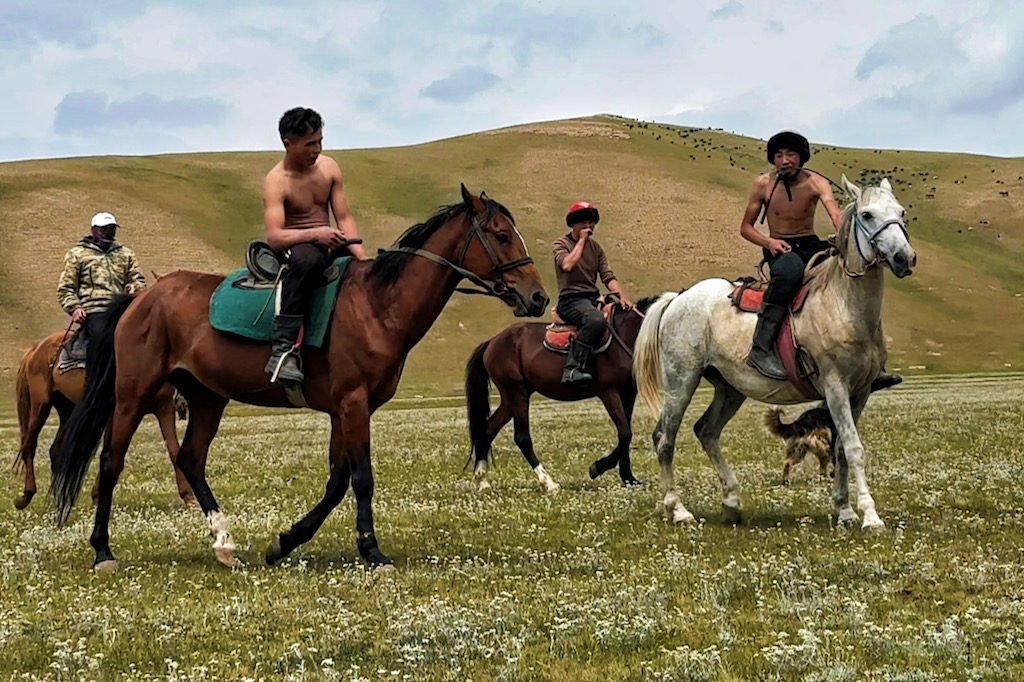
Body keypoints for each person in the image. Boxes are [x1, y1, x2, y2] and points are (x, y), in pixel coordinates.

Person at [740, 130, 901, 390]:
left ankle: (874, 364)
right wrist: (770, 243)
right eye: (778, 155)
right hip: (781, 248)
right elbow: (746, 228)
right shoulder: (762, 184)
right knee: (787, 276)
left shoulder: (816, 182)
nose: (784, 160)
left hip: (811, 244)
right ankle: (760, 349)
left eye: (790, 154)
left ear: (801, 157)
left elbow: (835, 212)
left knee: (852, 281)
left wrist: (843, 236)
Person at [262, 107, 367, 386]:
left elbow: (343, 217)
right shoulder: (276, 181)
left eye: (320, 141)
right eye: (309, 144)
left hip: (330, 239)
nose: (317, 149)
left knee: (364, 274)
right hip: (295, 244)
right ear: (288, 144)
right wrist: (315, 234)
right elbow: (274, 236)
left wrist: (360, 257)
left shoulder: (329, 168)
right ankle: (284, 351)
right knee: (307, 262)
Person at [552, 201, 632, 384]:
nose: (588, 226)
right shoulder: (561, 244)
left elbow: (608, 277)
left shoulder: (596, 249)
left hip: (592, 299)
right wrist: (581, 241)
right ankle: (572, 368)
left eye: (591, 222)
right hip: (570, 300)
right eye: (583, 222)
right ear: (573, 224)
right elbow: (567, 265)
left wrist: (621, 296)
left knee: (625, 317)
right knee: (596, 319)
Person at [57, 211, 146, 359]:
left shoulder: (126, 254)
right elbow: (66, 288)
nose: (108, 233)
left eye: (112, 229)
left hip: (123, 310)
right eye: (103, 229)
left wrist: (133, 288)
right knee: (103, 339)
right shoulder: (77, 254)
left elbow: (139, 281)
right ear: (93, 231)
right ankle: (94, 380)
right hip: (94, 309)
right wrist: (75, 308)